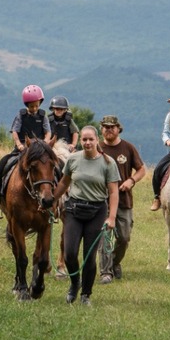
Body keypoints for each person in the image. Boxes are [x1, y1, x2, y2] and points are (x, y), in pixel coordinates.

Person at [51, 125, 119, 305]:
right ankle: (75, 284)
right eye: (84, 139)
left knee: (89, 258)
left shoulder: (108, 163)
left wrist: (111, 217)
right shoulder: (73, 160)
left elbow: (113, 192)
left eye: (91, 139)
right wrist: (51, 201)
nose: (88, 143)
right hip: (73, 210)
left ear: (97, 140)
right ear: (80, 141)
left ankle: (85, 294)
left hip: (97, 212)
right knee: (70, 253)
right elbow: (64, 184)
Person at [97, 114, 147, 283]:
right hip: (101, 201)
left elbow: (141, 169)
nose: (108, 130)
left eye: (112, 127)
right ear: (101, 128)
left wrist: (131, 181)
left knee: (124, 238)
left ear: (119, 128)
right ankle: (105, 272)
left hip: (124, 200)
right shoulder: (96, 148)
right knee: (103, 236)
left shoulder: (128, 148)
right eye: (105, 127)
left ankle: (115, 262)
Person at [0, 84, 53, 200]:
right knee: (4, 161)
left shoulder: (43, 116)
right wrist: (19, 144)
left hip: (39, 149)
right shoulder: (21, 115)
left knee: (55, 165)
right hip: (23, 148)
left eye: (36, 105)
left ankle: (61, 193)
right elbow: (15, 131)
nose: (34, 109)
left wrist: (45, 143)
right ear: (26, 105)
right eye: (31, 106)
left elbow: (48, 132)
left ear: (40, 103)